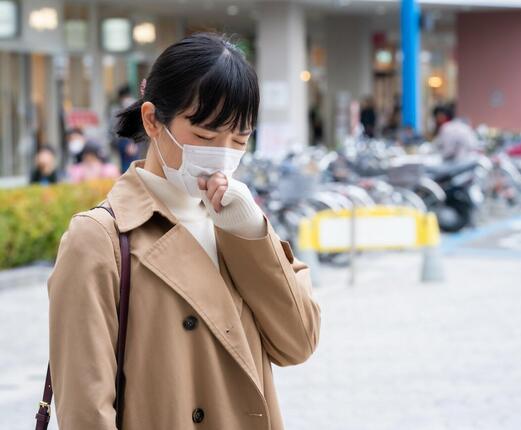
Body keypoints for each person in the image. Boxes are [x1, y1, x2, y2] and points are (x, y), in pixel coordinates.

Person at [48, 33, 320, 429]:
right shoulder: (99, 238)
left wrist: (250, 233)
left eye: (239, 139)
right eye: (205, 136)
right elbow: (86, 410)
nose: (222, 154)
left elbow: (298, 343)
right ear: (152, 120)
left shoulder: (236, 222)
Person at [113, 84, 143, 172]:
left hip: (128, 140)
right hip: (129, 140)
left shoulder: (126, 106)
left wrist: (132, 143)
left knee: (128, 168)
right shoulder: (134, 105)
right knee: (133, 167)